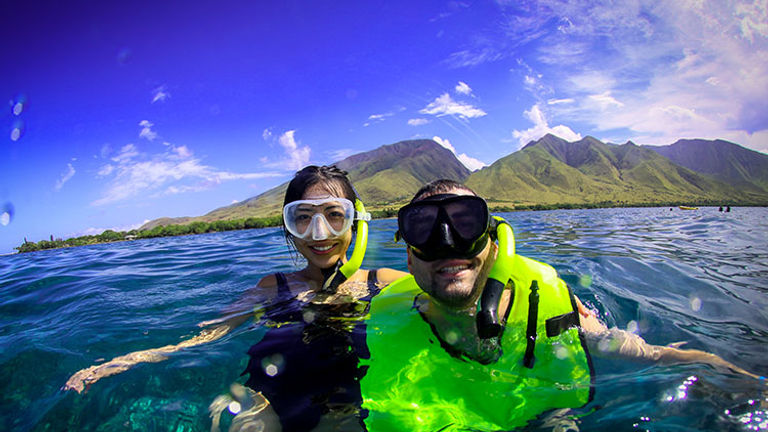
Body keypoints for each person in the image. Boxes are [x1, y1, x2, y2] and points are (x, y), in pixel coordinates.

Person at [360, 179, 762, 431]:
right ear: (409, 259)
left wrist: (717, 369)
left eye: (465, 224)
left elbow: (644, 353)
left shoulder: (553, 305)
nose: (447, 243)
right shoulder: (381, 312)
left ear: (495, 246)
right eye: (423, 228)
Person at [65, 165, 406, 429]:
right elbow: (210, 334)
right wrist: (130, 359)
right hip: (267, 398)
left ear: (356, 220)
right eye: (303, 218)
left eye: (334, 215)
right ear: (289, 227)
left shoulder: (383, 281)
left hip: (345, 400)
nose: (319, 233)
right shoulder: (273, 287)